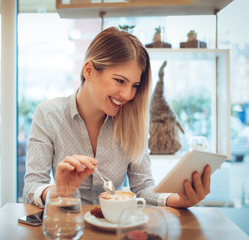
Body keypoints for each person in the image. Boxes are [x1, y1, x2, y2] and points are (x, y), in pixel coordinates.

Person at [23, 26, 211, 209]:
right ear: (89, 71)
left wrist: (176, 199)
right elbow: (32, 187)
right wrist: (59, 192)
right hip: (68, 227)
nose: (128, 95)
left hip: (115, 227)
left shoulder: (133, 121)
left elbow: (142, 188)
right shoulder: (48, 114)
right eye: (120, 81)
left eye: (135, 85)